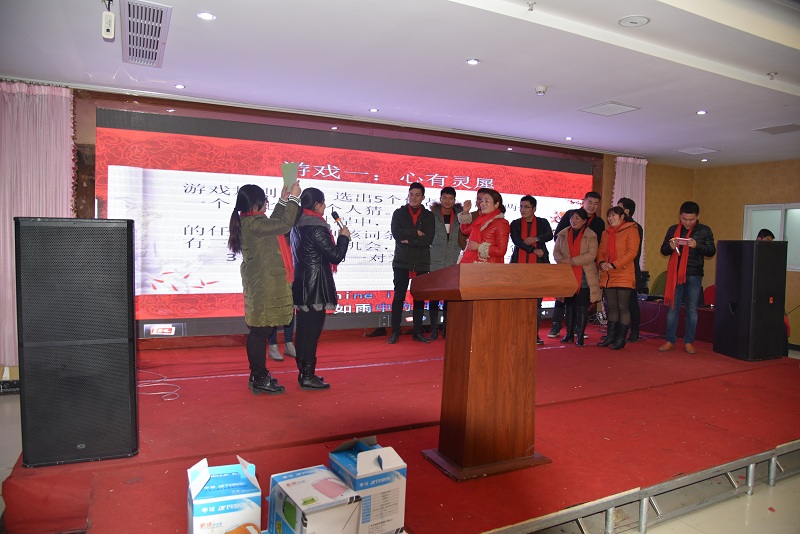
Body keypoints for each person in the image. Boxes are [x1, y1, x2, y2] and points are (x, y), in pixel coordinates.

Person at [228, 181, 301, 395]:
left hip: (262, 285)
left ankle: (257, 375)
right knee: (260, 332)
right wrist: (294, 199)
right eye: (265, 201)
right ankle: (260, 377)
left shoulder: (252, 222)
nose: (266, 204)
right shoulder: (254, 224)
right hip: (264, 286)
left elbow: (274, 224)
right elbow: (283, 225)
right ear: (256, 204)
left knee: (261, 330)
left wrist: (283, 201)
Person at [291, 187, 350, 389]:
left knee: (303, 330)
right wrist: (344, 238)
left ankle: (304, 372)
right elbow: (335, 256)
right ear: (317, 204)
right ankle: (307, 375)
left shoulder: (297, 224)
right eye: (323, 202)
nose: (325, 206)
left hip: (302, 283)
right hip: (315, 286)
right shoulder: (316, 227)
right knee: (311, 333)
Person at [658, 201, 716, 354]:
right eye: (684, 219)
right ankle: (670, 340)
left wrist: (697, 245)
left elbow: (711, 251)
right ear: (680, 216)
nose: (688, 222)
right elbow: (663, 250)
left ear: (698, 217)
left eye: (691, 219)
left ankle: (689, 341)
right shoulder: (673, 229)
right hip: (675, 274)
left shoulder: (704, 230)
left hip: (694, 274)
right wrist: (670, 247)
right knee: (672, 308)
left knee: (691, 309)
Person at [549, 192, 604, 338]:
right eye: (590, 202)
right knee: (563, 298)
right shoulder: (570, 214)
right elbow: (558, 237)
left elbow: (596, 248)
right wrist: (565, 258)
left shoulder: (599, 223)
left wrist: (577, 259)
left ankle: (577, 330)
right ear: (584, 202)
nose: (592, 206)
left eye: (596, 204)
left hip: (584, 266)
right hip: (566, 265)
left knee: (581, 301)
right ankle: (556, 325)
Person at [388, 182, 435, 344]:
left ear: (423, 197)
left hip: (421, 263)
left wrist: (409, 240)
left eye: (417, 195)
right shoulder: (399, 213)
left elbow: (428, 239)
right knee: (398, 297)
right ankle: (395, 332)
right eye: (411, 194)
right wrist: (415, 233)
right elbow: (396, 234)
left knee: (419, 299)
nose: (413, 198)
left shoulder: (428, 216)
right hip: (401, 262)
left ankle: (417, 332)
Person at [510, 195, 554, 344]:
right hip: (519, 267)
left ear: (534, 209)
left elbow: (549, 235)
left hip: (538, 267)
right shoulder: (515, 223)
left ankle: (534, 334)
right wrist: (533, 250)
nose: (523, 210)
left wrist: (536, 239)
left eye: (527, 207)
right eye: (521, 206)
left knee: (536, 303)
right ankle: (517, 333)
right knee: (518, 302)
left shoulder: (542, 222)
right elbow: (517, 241)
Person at [596, 206, 640, 349]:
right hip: (608, 274)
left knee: (623, 307)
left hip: (623, 272)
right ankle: (610, 336)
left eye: (614, 215)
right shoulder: (605, 233)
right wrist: (602, 263)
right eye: (609, 216)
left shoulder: (631, 230)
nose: (611, 218)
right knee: (612, 307)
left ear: (622, 217)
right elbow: (600, 251)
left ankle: (621, 338)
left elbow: (632, 252)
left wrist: (615, 264)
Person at [428, 186, 464, 340]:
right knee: (434, 297)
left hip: (452, 262)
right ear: (440, 199)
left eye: (450, 198)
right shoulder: (432, 216)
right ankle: (434, 329)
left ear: (454, 200)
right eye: (445, 198)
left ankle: (447, 328)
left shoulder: (461, 217)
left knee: (449, 298)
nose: (447, 201)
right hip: (435, 261)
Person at [617, 197, 644, 342]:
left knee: (631, 302)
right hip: (616, 270)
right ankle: (617, 331)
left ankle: (635, 332)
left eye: (619, 208)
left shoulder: (635, 227)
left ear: (626, 211)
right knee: (617, 303)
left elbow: (634, 252)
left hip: (630, 269)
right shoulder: (616, 226)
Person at [458, 188, 510, 264]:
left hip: (489, 266)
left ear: (496, 204)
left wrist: (479, 247)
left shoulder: (501, 223)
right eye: (481, 201)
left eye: (486, 201)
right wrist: (465, 212)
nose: (482, 204)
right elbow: (465, 230)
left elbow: (501, 250)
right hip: (473, 264)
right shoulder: (480, 220)